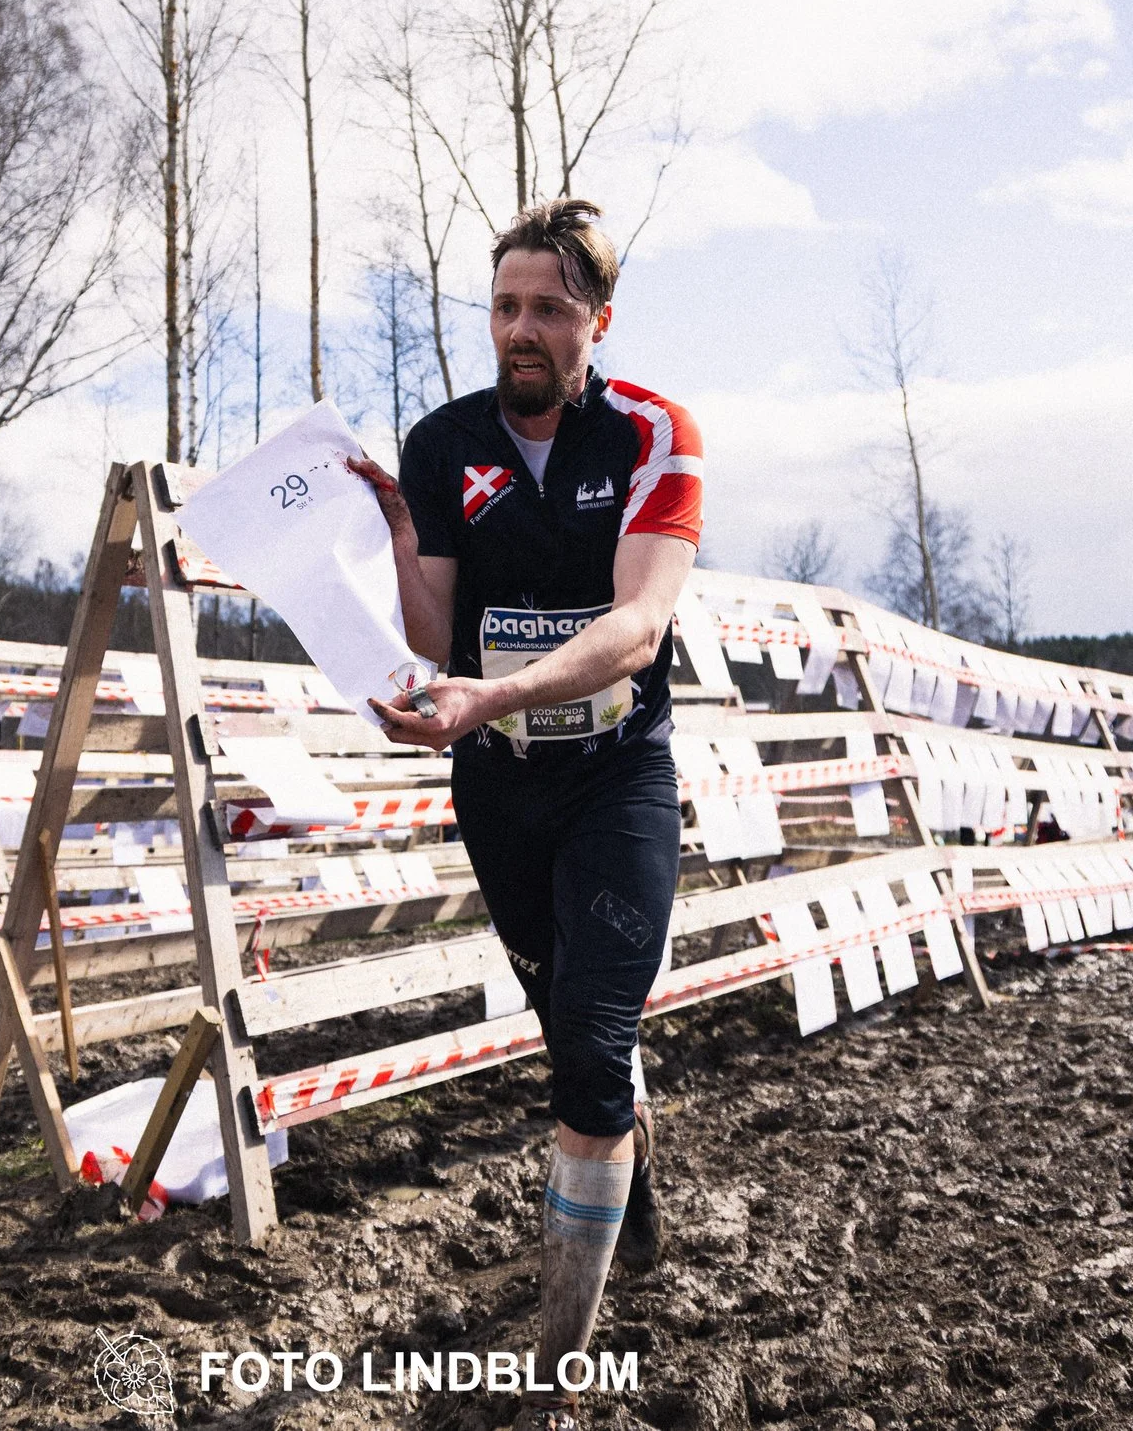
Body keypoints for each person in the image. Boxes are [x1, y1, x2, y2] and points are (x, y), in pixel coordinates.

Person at [348, 197, 701, 1429]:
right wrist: (403, 540)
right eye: (505, 307)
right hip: (500, 785)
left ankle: (557, 1361)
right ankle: (628, 1173)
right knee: (571, 1023)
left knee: (595, 1034)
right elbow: (435, 636)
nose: (522, 330)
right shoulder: (444, 443)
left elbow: (635, 627)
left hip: (616, 772)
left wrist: (494, 688)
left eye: (549, 308)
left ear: (597, 320)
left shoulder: (657, 433)